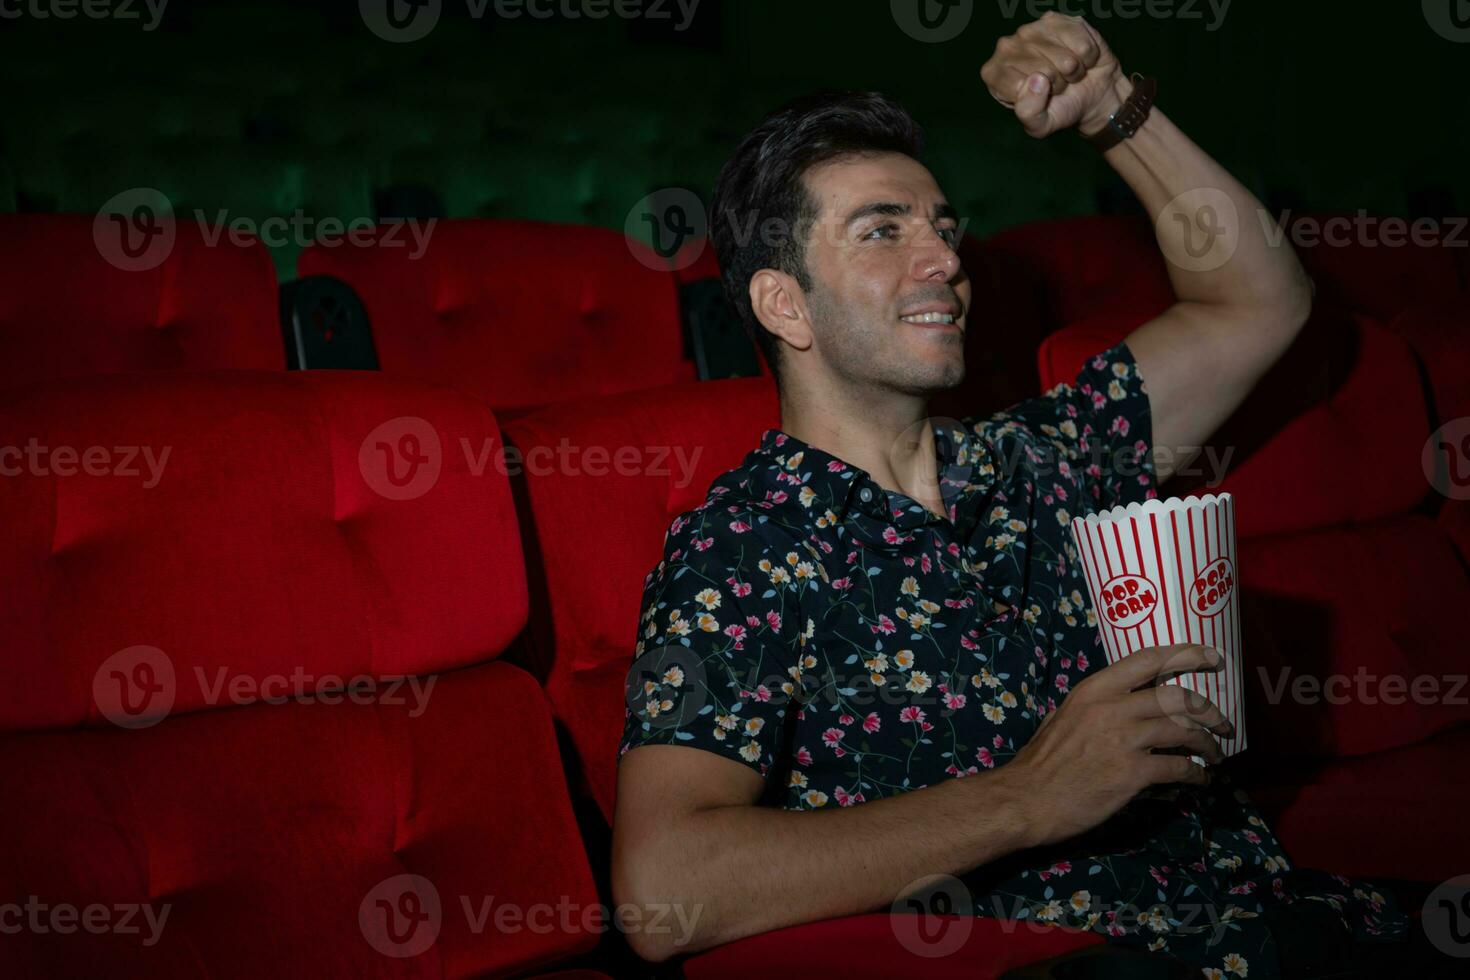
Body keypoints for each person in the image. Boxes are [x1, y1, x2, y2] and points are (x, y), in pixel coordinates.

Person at [611, 13, 1432, 977]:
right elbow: (662, 890)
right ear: (783, 303)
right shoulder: (741, 544)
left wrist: (1113, 110)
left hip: (1278, 916)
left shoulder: (1042, 452)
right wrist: (1031, 794)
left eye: (944, 227)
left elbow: (1258, 302)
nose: (947, 261)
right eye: (884, 231)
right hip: (1078, 958)